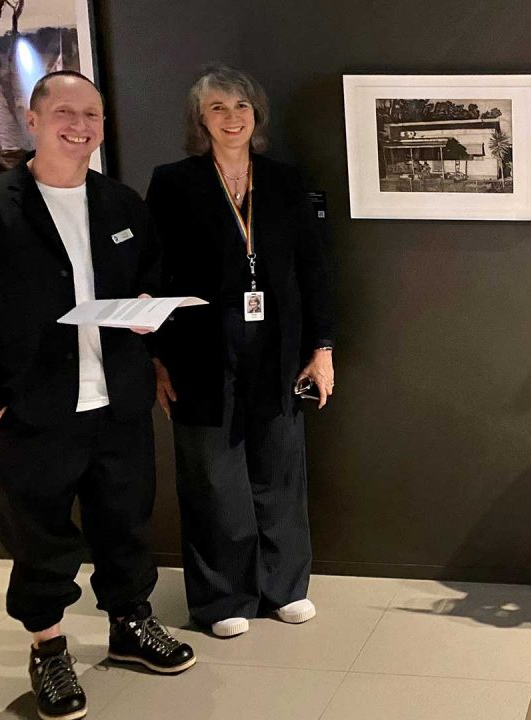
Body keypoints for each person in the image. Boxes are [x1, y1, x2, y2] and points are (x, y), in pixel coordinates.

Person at [0, 71, 195, 720]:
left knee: (127, 524)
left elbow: (150, 278)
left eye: (92, 115)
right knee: (38, 537)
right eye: (65, 112)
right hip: (34, 410)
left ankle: (130, 623)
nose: (79, 125)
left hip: (119, 405)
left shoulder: (122, 204)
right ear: (33, 119)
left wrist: (147, 309)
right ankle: (48, 649)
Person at [146, 64, 334, 639]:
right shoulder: (174, 182)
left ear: (258, 116)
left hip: (277, 345)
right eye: (218, 109)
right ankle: (222, 598)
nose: (232, 118)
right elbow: (154, 272)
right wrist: (156, 358)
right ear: (200, 121)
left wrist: (322, 348)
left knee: (280, 468)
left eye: (241, 107)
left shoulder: (282, 180)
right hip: (201, 345)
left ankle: (284, 587)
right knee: (211, 474)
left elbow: (314, 271)